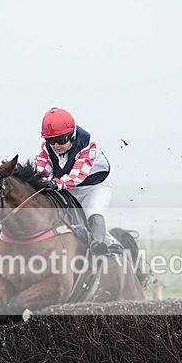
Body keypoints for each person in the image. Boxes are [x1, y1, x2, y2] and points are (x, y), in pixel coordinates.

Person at [36, 107, 121, 255]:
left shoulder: (88, 147)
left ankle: (99, 244)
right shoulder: (47, 148)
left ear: (72, 135)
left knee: (92, 211)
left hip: (95, 188)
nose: (56, 146)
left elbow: (77, 176)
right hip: (68, 190)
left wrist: (55, 183)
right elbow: (41, 169)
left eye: (60, 140)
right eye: (51, 141)